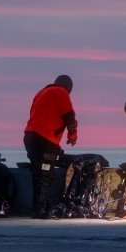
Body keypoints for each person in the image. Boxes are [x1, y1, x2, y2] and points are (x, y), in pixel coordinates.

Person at [24, 75, 78, 219]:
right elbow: (69, 116)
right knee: (45, 175)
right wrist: (72, 135)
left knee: (38, 173)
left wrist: (55, 146)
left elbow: (45, 119)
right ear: (67, 87)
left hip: (31, 137)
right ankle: (40, 210)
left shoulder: (41, 93)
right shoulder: (61, 92)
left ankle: (40, 206)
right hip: (44, 140)